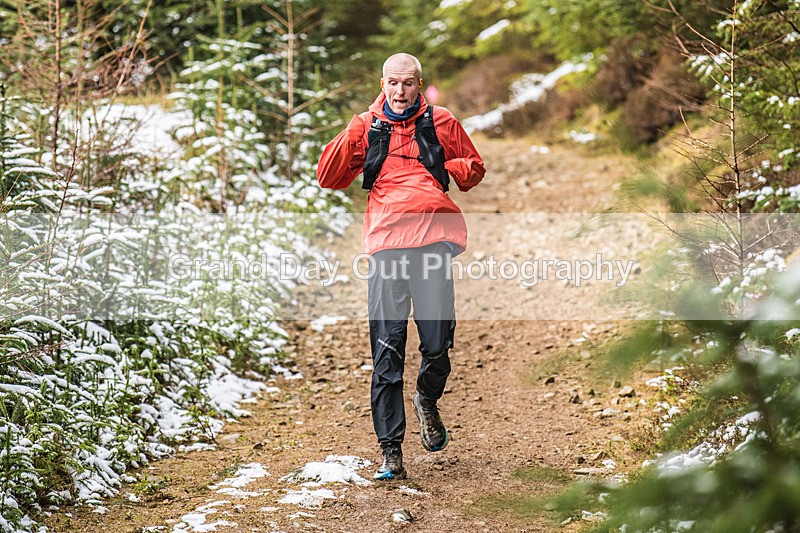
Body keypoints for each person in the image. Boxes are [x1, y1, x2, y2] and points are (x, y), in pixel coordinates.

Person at [316, 53, 485, 480]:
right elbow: (328, 177)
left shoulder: (441, 121)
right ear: (382, 83)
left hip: (433, 242)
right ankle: (391, 452)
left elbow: (473, 170)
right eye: (393, 82)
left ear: (419, 84)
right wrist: (354, 130)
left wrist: (455, 167)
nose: (400, 90)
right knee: (387, 352)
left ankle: (426, 399)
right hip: (386, 246)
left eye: (408, 83)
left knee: (436, 346)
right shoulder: (367, 126)